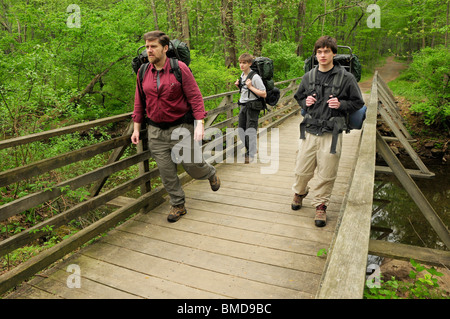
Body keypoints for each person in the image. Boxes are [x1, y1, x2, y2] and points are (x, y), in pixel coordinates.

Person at [131, 31, 220, 223]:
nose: (149, 50)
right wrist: (136, 129)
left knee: (192, 166)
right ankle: (178, 204)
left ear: (164, 48)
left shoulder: (179, 68)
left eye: (153, 46)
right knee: (166, 171)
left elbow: (195, 97)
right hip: (155, 131)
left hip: (181, 128)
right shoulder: (143, 71)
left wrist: (199, 123)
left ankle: (210, 173)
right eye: (147, 46)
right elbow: (139, 101)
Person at [291, 36, 364, 227]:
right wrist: (304, 102)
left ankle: (321, 206)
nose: (323, 55)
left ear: (333, 53)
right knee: (301, 170)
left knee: (327, 172)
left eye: (327, 51)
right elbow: (298, 97)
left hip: (331, 133)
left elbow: (358, 102)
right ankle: (300, 191)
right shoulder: (309, 76)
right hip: (309, 130)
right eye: (319, 52)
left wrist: (341, 104)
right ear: (316, 55)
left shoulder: (346, 78)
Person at [234, 53, 267, 163]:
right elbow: (245, 91)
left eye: (244, 63)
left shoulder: (255, 77)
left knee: (250, 130)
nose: (241, 65)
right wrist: (239, 86)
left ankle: (250, 154)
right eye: (240, 63)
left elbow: (264, 93)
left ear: (250, 64)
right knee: (241, 130)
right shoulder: (242, 75)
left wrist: (250, 86)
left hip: (252, 106)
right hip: (243, 105)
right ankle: (251, 150)